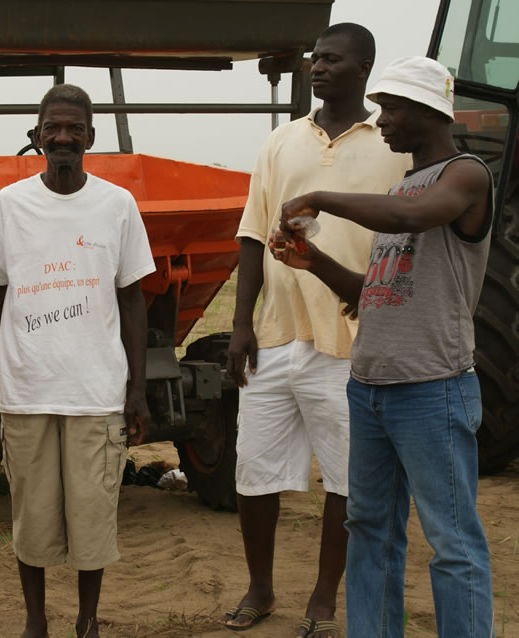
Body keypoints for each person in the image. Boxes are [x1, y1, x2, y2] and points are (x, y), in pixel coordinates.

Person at [272, 55, 495, 638]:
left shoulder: (465, 176)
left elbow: (414, 216)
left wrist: (319, 196)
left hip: (432, 387)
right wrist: (313, 260)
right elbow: (374, 294)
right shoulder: (401, 186)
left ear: (429, 111)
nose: (382, 118)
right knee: (369, 529)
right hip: (370, 387)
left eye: (392, 107)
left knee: (452, 540)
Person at [0, 84, 155, 638]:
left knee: (92, 519)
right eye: (51, 129)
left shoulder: (117, 205)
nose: (62, 138)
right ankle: (35, 622)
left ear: (91, 136)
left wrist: (137, 389)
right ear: (37, 137)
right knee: (31, 518)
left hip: (97, 394)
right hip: (29, 390)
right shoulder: (12, 205)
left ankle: (87, 623)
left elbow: (133, 298)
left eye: (73, 129)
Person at [221, 23, 411, 636]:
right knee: (253, 472)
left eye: (332, 60)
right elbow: (252, 237)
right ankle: (260, 588)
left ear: (364, 69)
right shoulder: (279, 142)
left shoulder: (393, 144)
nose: (317, 68)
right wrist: (241, 323)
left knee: (346, 480)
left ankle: (324, 598)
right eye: (315, 59)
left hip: (353, 341)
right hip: (277, 335)